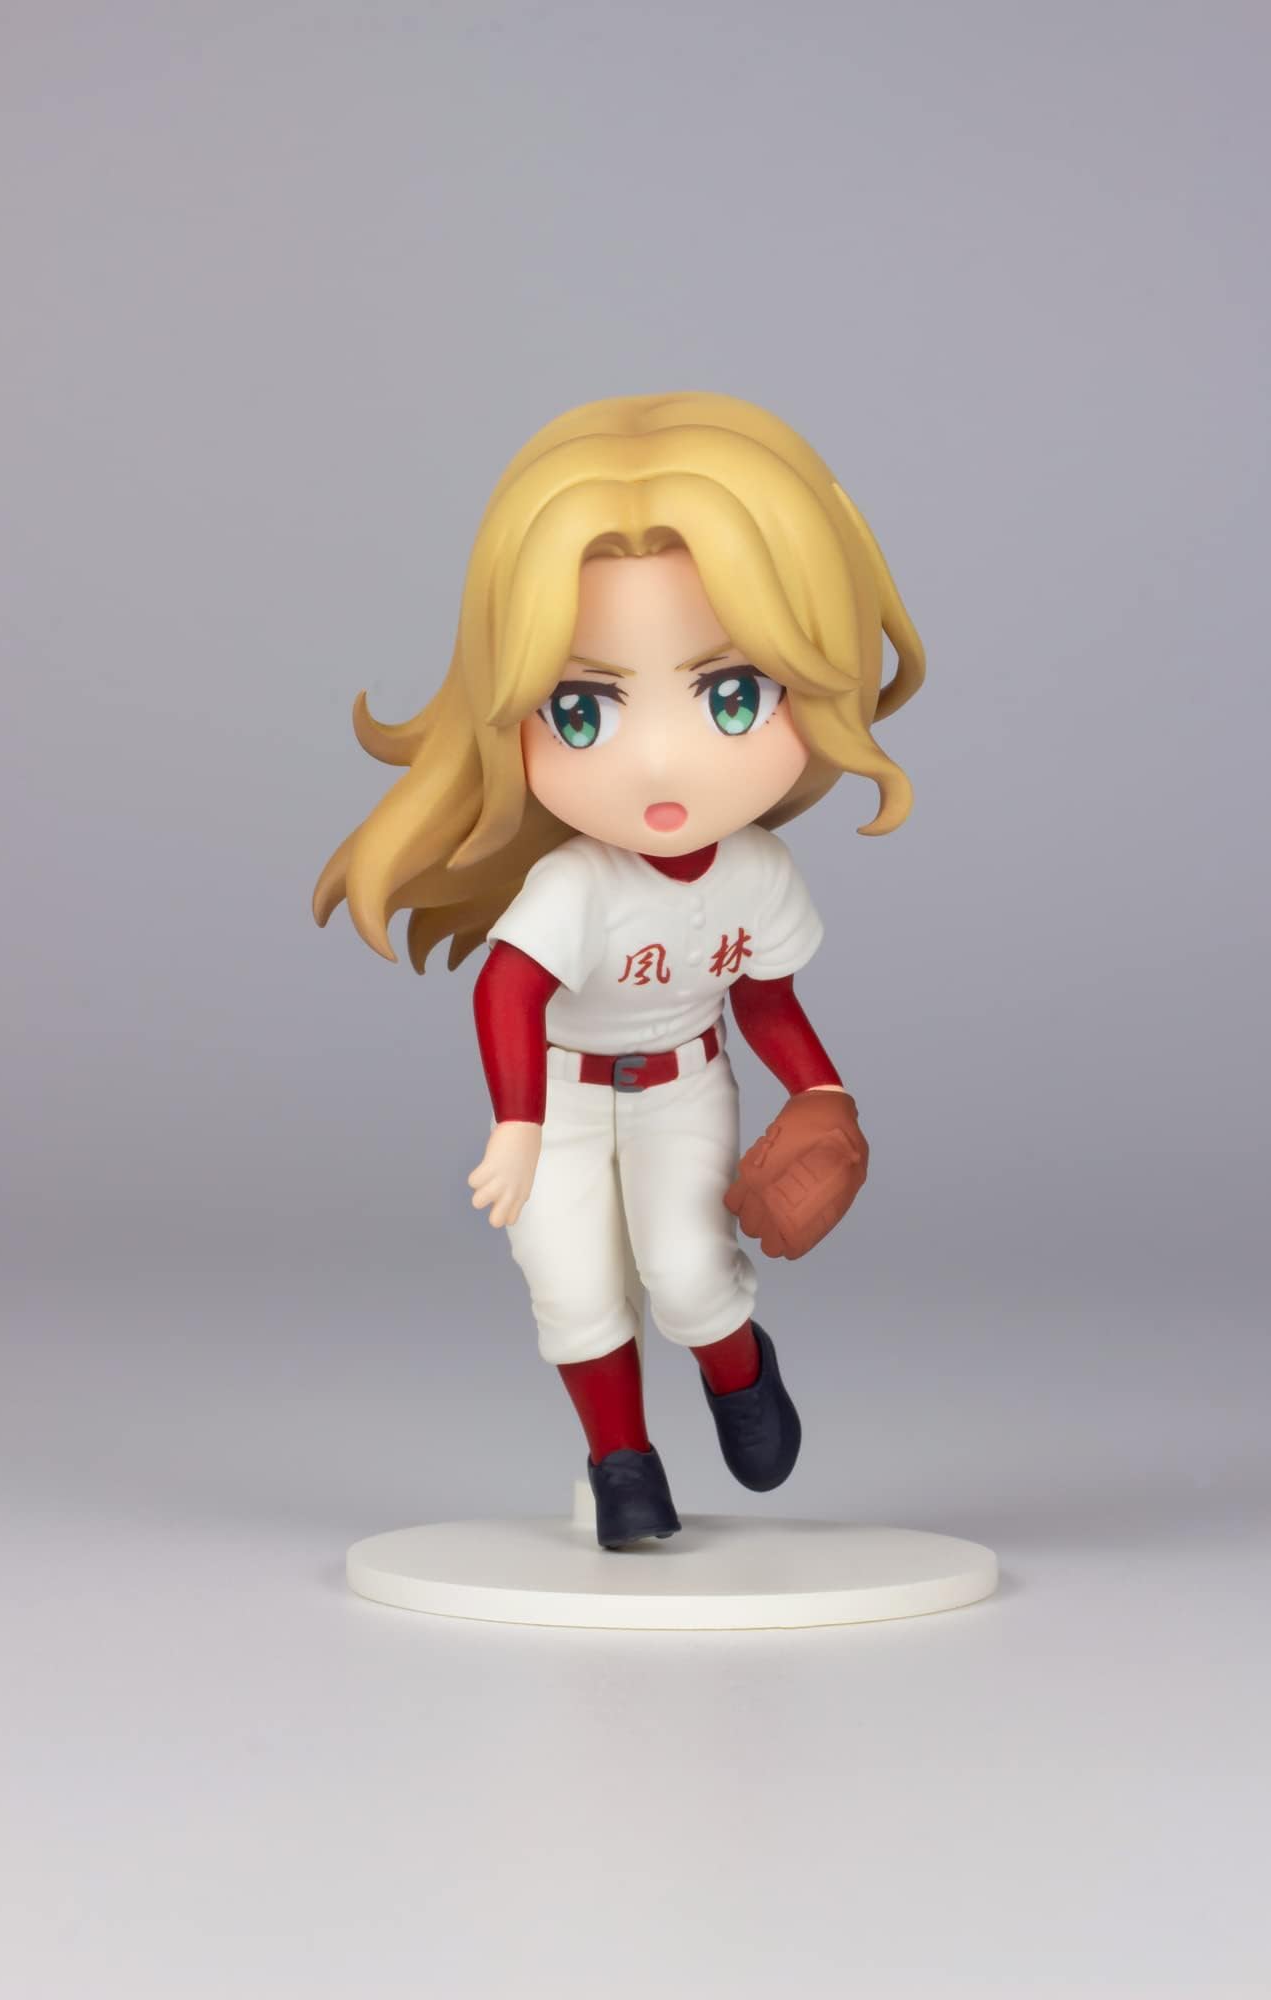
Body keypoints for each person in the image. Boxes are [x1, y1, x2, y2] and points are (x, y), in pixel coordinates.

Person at [313, 393, 924, 1548]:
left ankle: (738, 1372)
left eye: (731, 694)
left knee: (690, 1274)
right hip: (560, 1098)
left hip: (683, 1086)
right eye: (582, 708)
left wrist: (823, 1091)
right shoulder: (577, 883)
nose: (658, 763)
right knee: (573, 1287)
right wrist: (517, 1124)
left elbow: (766, 997)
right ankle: (621, 1460)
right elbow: (508, 988)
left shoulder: (756, 872)